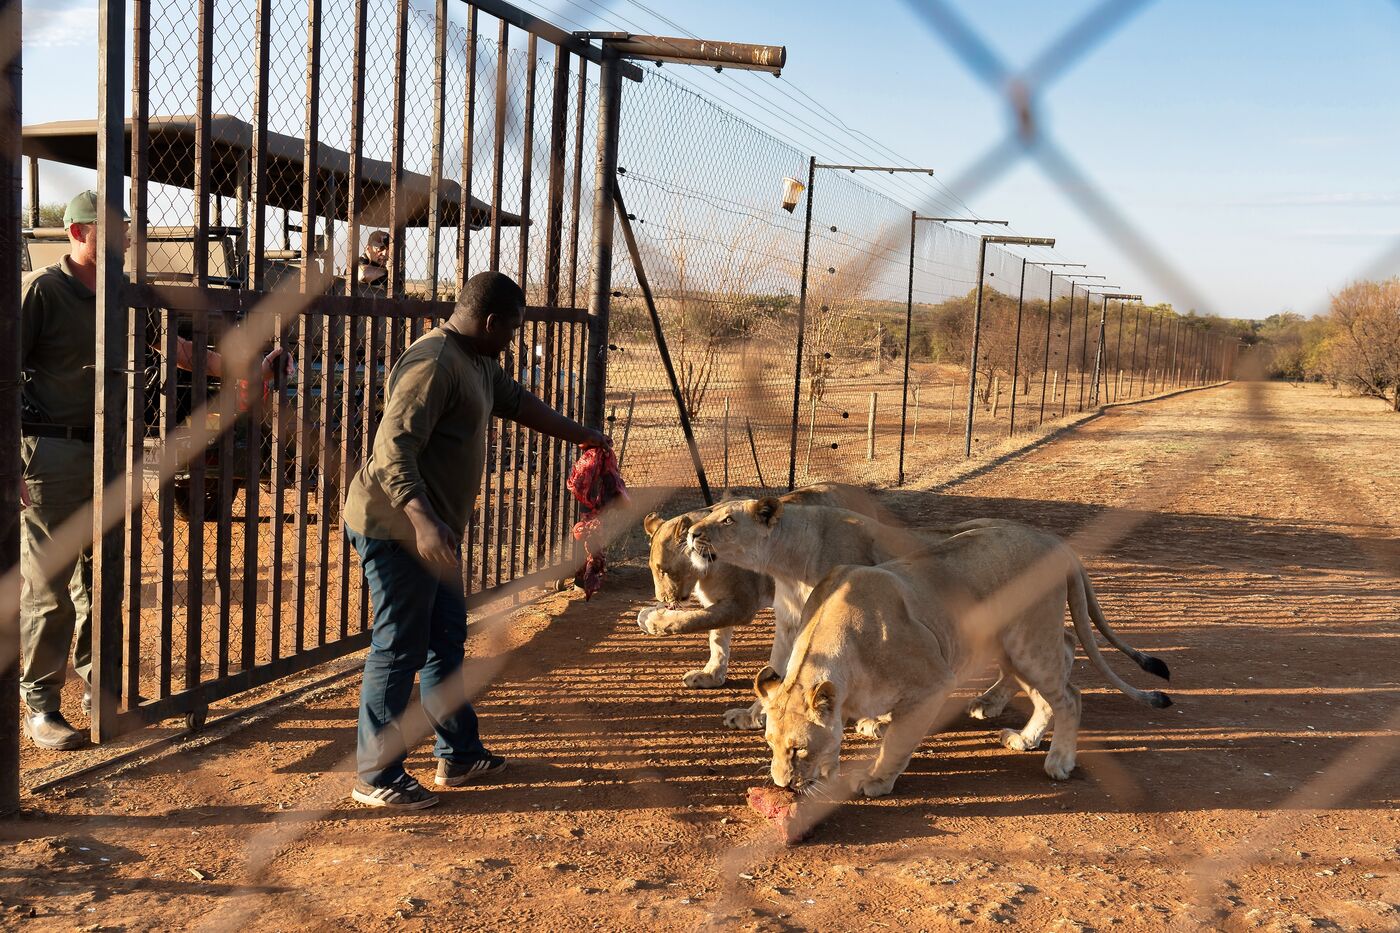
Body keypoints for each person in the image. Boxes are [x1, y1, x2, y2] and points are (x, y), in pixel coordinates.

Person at [18, 190, 289, 750]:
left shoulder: (125, 294)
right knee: (48, 586)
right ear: (77, 232)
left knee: (104, 578)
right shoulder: (42, 290)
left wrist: (250, 372)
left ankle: (99, 689)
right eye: (111, 230)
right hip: (52, 450)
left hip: (111, 450)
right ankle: (41, 704)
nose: (124, 240)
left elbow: (180, 352)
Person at [342, 270, 608, 810]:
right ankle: (375, 774)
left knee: (445, 637)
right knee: (399, 645)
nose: (512, 340)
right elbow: (392, 450)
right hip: (396, 526)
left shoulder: (478, 360)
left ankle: (458, 754)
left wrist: (583, 435)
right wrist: (422, 520)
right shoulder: (434, 363)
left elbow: (518, 402)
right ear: (490, 322)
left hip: (432, 530)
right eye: (512, 328)